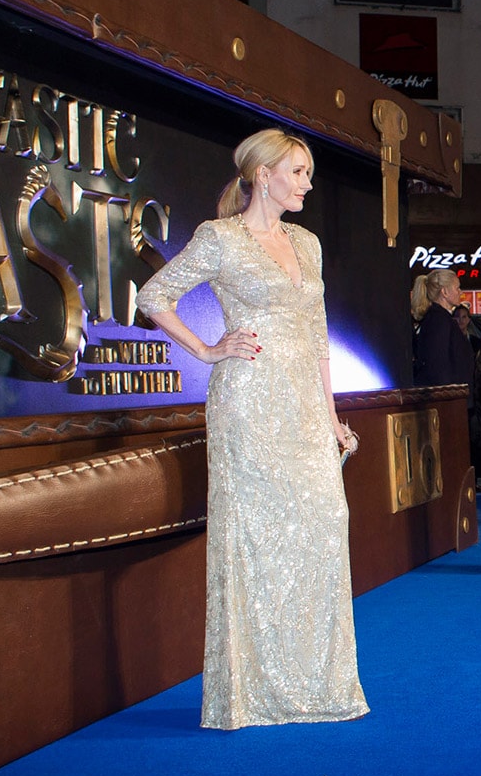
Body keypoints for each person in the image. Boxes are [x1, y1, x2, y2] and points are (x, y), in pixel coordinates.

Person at [135, 128, 368, 730]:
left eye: (309, 173)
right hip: (249, 407)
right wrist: (208, 350)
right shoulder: (221, 239)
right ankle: (252, 694)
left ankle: (317, 686)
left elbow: (318, 339)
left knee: (324, 524)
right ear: (263, 175)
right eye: (297, 172)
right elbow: (154, 296)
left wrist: (330, 416)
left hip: (301, 409)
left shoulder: (308, 244)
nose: (307, 184)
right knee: (255, 542)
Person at [410, 269, 473, 388]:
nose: (461, 292)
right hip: (446, 399)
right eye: (457, 288)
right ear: (444, 292)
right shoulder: (439, 320)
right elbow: (438, 363)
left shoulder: (440, 318)